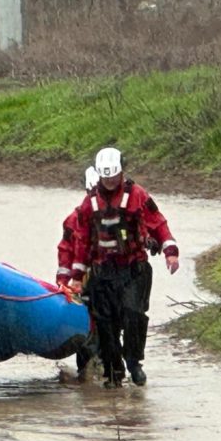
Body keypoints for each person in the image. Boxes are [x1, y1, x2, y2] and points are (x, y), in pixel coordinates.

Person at [69, 147, 179, 389]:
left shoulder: (137, 195)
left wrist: (170, 252)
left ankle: (134, 363)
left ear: (121, 172)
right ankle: (113, 374)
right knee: (105, 325)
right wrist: (76, 277)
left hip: (133, 270)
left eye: (113, 177)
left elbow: (158, 223)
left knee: (133, 314)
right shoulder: (89, 204)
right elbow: (82, 241)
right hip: (102, 274)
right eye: (105, 177)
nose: (110, 182)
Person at [56, 166, 100, 381]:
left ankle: (105, 367)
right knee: (88, 323)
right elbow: (66, 251)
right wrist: (63, 282)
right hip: (83, 280)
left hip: (109, 277)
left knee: (110, 321)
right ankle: (88, 370)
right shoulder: (73, 220)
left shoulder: (120, 213)